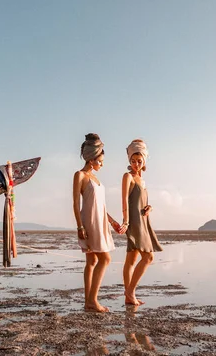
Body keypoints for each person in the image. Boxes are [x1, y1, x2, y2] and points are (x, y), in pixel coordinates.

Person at [73, 133, 123, 312]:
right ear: (92, 159)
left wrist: (112, 221)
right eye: (100, 161)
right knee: (105, 258)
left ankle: (88, 302)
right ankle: (93, 300)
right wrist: (80, 226)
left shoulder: (97, 179)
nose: (102, 164)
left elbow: (101, 206)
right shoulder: (80, 175)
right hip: (89, 222)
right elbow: (75, 203)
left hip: (100, 220)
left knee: (92, 260)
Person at [121, 139, 163, 306]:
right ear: (129, 160)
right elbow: (124, 200)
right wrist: (125, 221)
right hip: (134, 222)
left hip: (144, 221)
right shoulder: (128, 176)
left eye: (139, 161)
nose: (136, 164)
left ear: (144, 161)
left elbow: (142, 201)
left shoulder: (142, 181)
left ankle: (129, 296)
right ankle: (130, 291)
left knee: (132, 259)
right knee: (148, 257)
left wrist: (149, 208)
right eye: (133, 161)